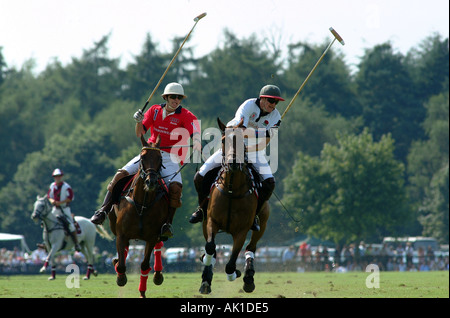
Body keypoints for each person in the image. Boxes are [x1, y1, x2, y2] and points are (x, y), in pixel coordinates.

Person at [90, 83, 201, 241]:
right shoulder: (154, 111)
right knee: (120, 175)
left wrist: (196, 141)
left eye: (179, 97)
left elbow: (195, 130)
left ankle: (167, 224)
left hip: (170, 156)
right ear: (166, 97)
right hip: (150, 152)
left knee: (176, 189)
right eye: (173, 97)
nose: (176, 100)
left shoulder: (186, 115)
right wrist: (138, 122)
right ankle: (102, 210)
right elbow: (139, 134)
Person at [189, 85, 284, 231]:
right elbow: (240, 131)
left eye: (276, 102)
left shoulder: (276, 116)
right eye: (271, 100)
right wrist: (263, 132)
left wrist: (248, 148)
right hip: (231, 145)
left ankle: (254, 216)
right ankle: (202, 209)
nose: (273, 105)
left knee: (270, 182)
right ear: (262, 98)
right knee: (200, 176)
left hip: (253, 150)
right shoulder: (248, 105)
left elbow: (265, 143)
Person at [47, 168, 81, 251]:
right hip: (55, 209)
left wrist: (60, 202)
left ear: (61, 177)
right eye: (55, 177)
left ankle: (76, 243)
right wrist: (52, 201)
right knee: (46, 222)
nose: (57, 178)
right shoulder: (52, 186)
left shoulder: (66, 187)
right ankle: (46, 242)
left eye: (58, 176)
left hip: (65, 209)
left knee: (71, 225)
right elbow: (49, 196)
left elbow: (70, 198)